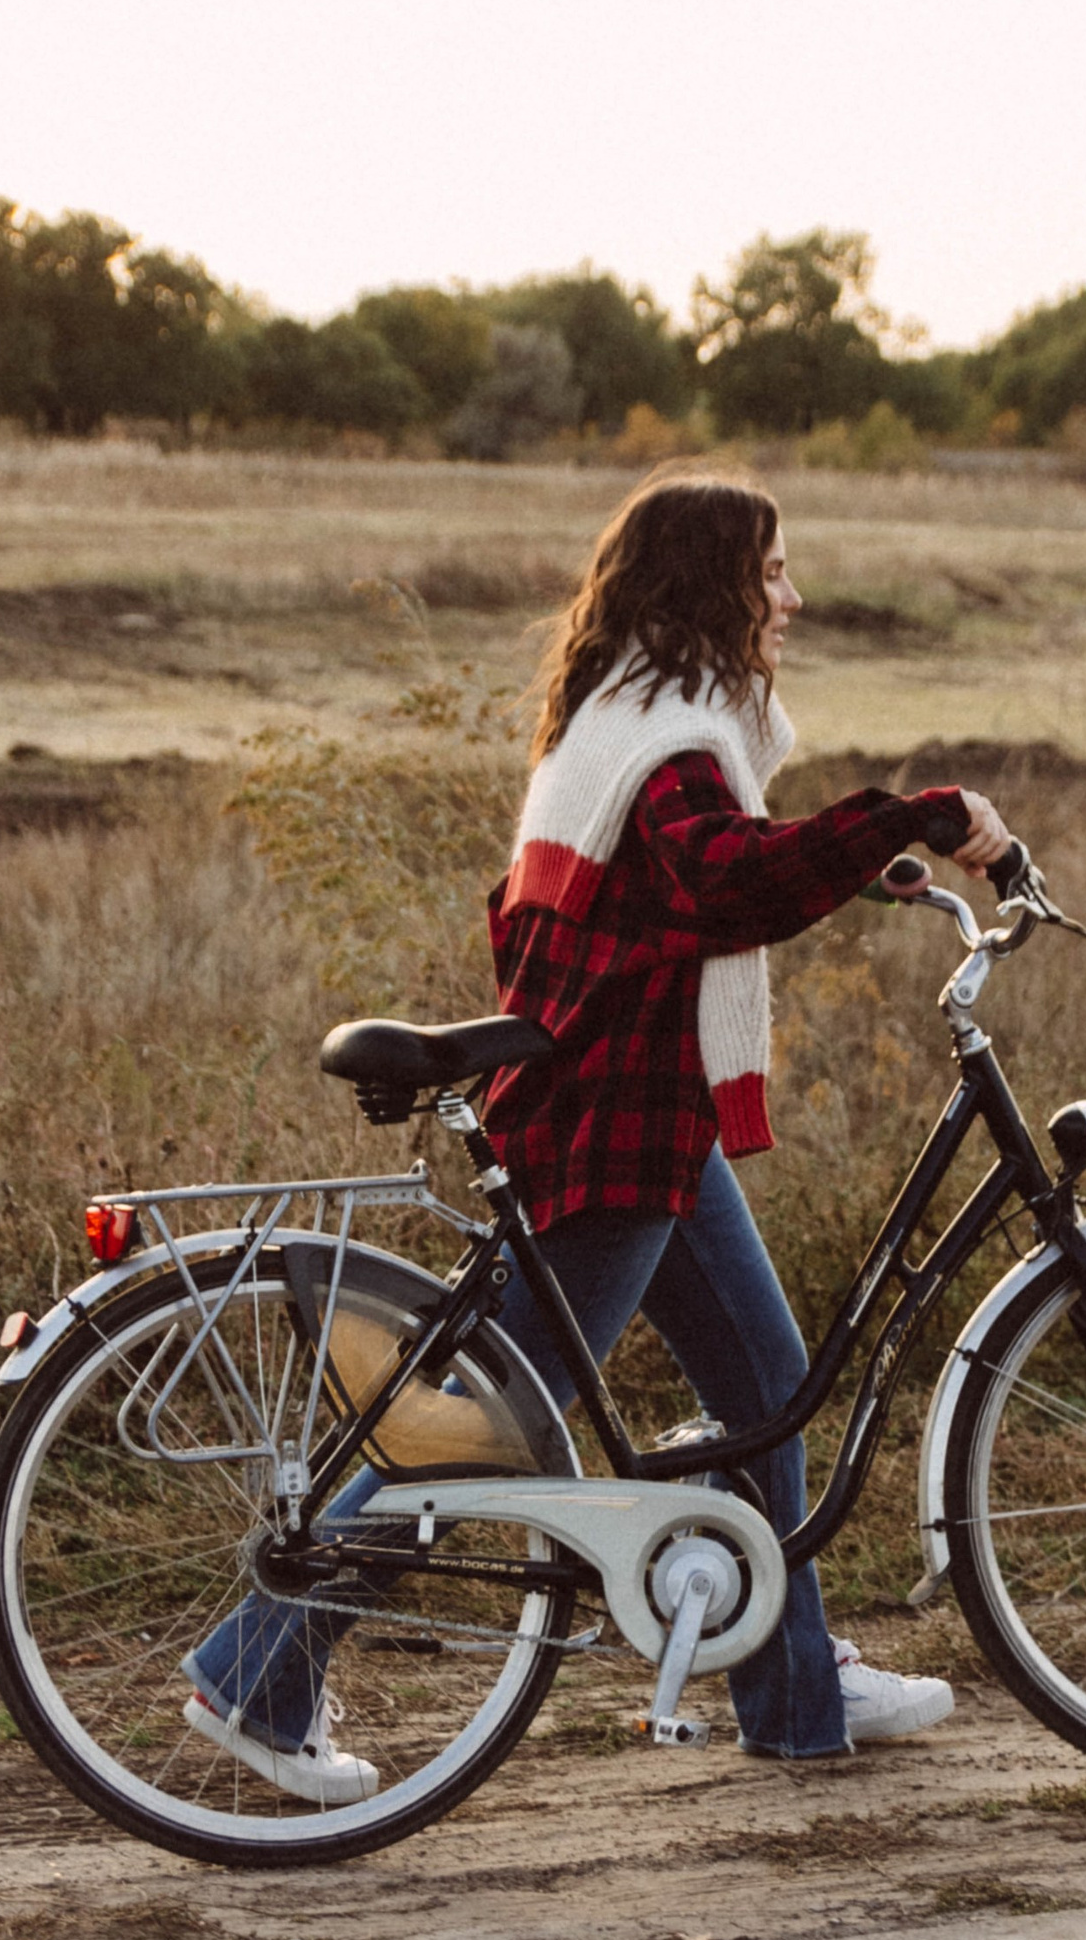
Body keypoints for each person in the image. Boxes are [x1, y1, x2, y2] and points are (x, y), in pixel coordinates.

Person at [182, 472, 1010, 1789]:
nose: (792, 598)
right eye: (774, 572)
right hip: (616, 1125)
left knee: (762, 1393)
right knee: (480, 1430)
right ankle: (257, 1677)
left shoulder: (621, 711)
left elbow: (687, 873)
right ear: (714, 585)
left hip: (641, 1114)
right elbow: (717, 882)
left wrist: (862, 862)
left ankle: (796, 1696)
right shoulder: (671, 735)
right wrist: (903, 816)